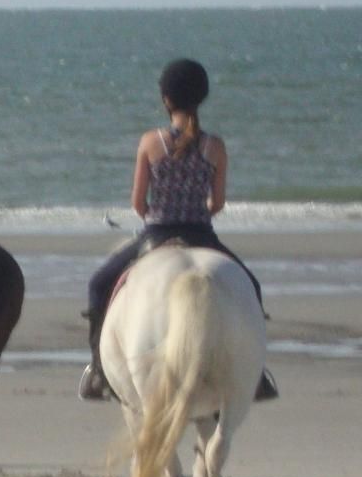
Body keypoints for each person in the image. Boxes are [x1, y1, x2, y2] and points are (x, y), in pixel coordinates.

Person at [79, 58, 277, 401]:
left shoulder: (150, 142)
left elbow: (138, 203)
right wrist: (199, 208)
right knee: (252, 289)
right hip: (202, 235)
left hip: (156, 235)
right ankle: (256, 374)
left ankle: (98, 370)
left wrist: (154, 211)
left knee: (99, 286)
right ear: (201, 98)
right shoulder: (215, 146)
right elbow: (217, 204)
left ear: (166, 99)